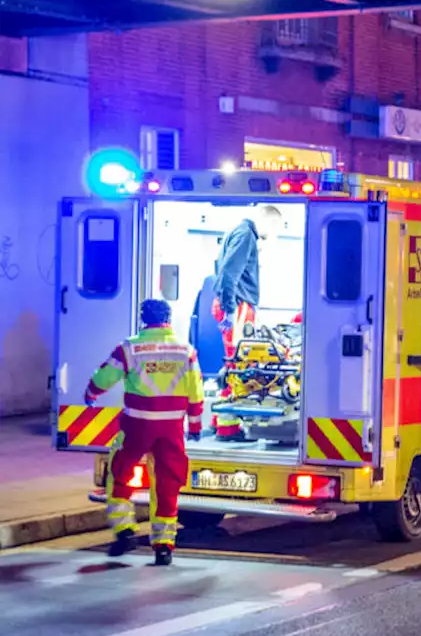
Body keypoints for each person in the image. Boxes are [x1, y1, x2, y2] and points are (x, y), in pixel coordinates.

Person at [85, 300, 203, 566]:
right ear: (168, 319)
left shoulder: (129, 348)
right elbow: (196, 390)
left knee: (120, 473)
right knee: (167, 484)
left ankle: (125, 529)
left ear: (143, 319)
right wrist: (194, 424)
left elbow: (105, 377)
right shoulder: (186, 350)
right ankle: (163, 546)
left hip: (137, 425)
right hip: (172, 428)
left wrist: (91, 391)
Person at [211, 204, 283, 441]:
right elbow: (229, 274)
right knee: (239, 364)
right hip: (237, 305)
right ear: (266, 221)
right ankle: (227, 428)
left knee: (236, 362)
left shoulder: (241, 233)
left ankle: (219, 422)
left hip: (236, 304)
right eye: (274, 226)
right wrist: (230, 309)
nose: (274, 233)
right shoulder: (245, 235)